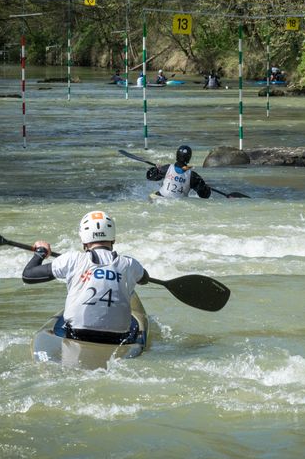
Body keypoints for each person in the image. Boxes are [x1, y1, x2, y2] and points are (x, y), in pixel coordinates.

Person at [22, 210, 149, 344]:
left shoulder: (72, 259)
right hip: (117, 337)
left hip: (78, 333)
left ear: (83, 238)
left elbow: (28, 275)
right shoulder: (129, 264)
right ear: (113, 238)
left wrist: (41, 252)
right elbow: (144, 279)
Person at [146, 145, 212, 199]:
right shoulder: (193, 176)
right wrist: (206, 188)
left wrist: (156, 169)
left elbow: (150, 176)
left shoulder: (166, 168)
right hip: (178, 201)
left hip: (161, 197)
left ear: (177, 155)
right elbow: (204, 195)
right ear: (189, 158)